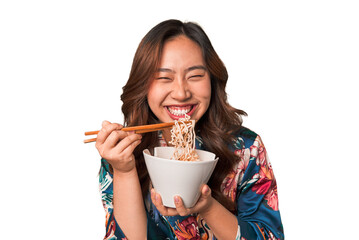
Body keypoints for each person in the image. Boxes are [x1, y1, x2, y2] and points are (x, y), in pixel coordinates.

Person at [95, 19, 284, 240]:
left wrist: (208, 207)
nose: (181, 93)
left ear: (213, 80)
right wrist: (124, 171)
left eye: (195, 76)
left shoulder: (246, 148)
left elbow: (269, 236)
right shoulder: (123, 152)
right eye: (164, 78)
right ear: (143, 86)